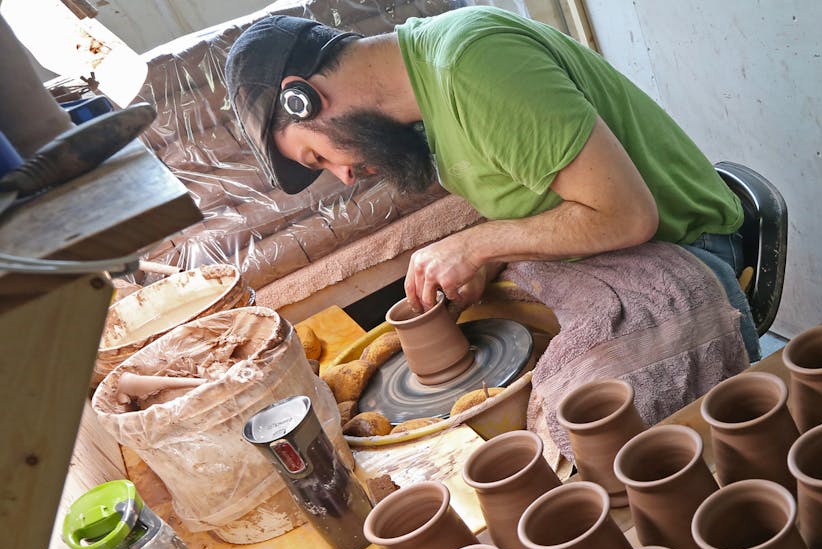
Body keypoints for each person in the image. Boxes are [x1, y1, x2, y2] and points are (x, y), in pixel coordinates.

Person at [223, 6, 758, 356]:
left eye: (318, 156)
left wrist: (475, 244)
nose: (343, 176)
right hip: (613, 257)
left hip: (689, 250)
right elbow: (539, 193)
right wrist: (487, 258)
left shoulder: (471, 66)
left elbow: (627, 215)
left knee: (578, 425)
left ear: (304, 97)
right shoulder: (426, 102)